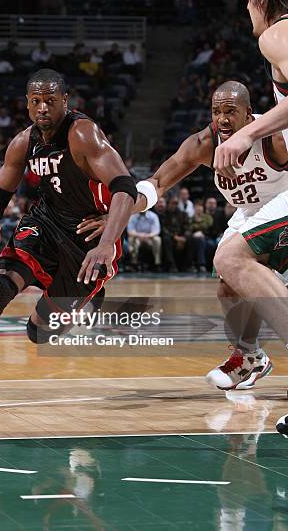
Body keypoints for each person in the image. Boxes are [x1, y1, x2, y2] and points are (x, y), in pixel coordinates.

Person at [0, 68, 136, 413]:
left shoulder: (83, 134)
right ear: (26, 104)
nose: (42, 108)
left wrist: (107, 241)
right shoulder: (24, 142)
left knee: (40, 333)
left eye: (50, 101)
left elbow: (125, 188)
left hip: (87, 237)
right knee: (0, 288)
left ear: (65, 102)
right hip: (44, 224)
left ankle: (88, 301)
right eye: (35, 101)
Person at [78, 80, 286, 390]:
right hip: (251, 214)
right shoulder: (203, 143)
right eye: (217, 111)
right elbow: (157, 183)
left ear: (248, 113)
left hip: (283, 203)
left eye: (231, 111)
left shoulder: (272, 138)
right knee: (229, 289)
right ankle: (250, 359)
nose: (223, 119)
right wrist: (116, 213)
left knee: (229, 258)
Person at [208, 0, 288, 436]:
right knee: (232, 272)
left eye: (247, 2)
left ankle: (253, 356)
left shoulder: (276, 33)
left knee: (232, 260)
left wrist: (243, 135)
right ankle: (249, 356)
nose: (247, 11)